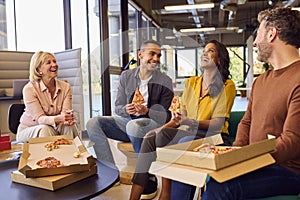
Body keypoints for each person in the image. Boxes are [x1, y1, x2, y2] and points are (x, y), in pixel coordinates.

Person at [171, 7, 300, 200]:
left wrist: (244, 158)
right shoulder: (261, 81)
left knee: (221, 188)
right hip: (253, 162)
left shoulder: (297, 78)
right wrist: (235, 154)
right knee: (195, 169)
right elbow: (246, 123)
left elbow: (292, 141)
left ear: (272, 34)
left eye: (259, 33)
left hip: (285, 170)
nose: (255, 41)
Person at [129, 40, 237, 200]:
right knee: (150, 138)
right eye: (204, 50)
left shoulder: (227, 85)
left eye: (211, 51)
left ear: (219, 59)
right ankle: (134, 197)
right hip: (188, 130)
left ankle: (167, 194)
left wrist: (189, 122)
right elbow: (180, 118)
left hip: (213, 136)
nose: (205, 53)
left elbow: (217, 124)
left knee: (181, 142)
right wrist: (160, 129)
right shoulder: (191, 83)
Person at [86, 40, 174, 199]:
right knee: (93, 123)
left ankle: (146, 176)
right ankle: (111, 174)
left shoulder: (165, 81)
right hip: (127, 123)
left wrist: (147, 110)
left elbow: (166, 116)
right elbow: (118, 106)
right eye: (152, 54)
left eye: (159, 55)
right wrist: (126, 109)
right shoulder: (126, 76)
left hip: (151, 125)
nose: (156, 59)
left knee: (135, 126)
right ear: (140, 55)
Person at [17, 51, 79, 142]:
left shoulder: (66, 87)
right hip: (30, 129)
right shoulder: (29, 89)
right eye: (49, 63)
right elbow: (40, 119)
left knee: (69, 126)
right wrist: (60, 118)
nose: (54, 65)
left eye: (54, 61)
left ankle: (75, 154)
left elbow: (65, 114)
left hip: (54, 128)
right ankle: (50, 156)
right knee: (45, 129)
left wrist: (68, 119)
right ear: (38, 70)